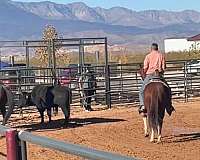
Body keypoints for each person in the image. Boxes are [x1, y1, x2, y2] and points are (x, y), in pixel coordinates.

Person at [138, 43, 175, 115]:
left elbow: (145, 67)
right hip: (159, 75)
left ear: (151, 49)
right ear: (157, 48)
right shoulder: (161, 55)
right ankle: (169, 106)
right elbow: (164, 67)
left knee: (141, 91)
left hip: (149, 76)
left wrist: (144, 73)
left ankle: (142, 106)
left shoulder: (148, 56)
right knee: (168, 89)